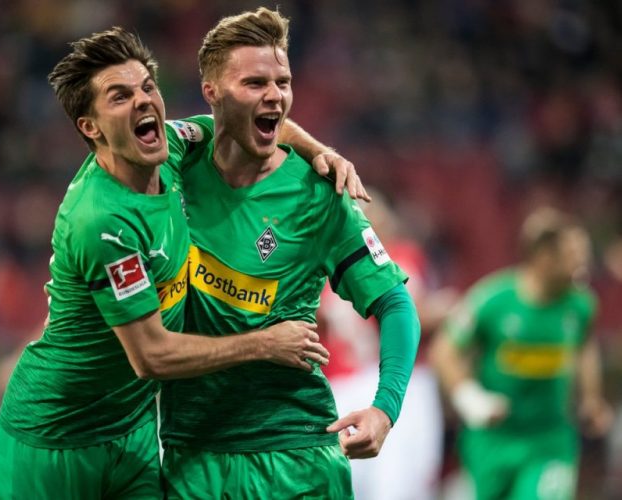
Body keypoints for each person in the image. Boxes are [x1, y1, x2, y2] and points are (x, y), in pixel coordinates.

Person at [0, 26, 348, 499]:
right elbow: (152, 356)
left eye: (147, 88)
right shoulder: (103, 221)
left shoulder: (170, 148)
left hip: (132, 436)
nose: (143, 101)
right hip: (53, 444)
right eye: (120, 96)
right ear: (90, 127)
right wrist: (264, 343)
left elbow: (238, 119)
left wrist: (320, 152)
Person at [159, 8, 420, 499]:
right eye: (255, 82)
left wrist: (385, 410)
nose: (275, 95)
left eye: (283, 82)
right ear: (211, 91)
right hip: (192, 456)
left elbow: (395, 304)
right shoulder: (176, 166)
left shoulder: (319, 194)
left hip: (295, 456)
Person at [429, 206, 614, 500]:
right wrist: (470, 398)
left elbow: (584, 345)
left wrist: (591, 397)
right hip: (493, 440)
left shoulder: (581, 305)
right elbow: (444, 350)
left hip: (549, 440)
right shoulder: (492, 299)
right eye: (573, 254)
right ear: (543, 256)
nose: (583, 264)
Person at [321, 189, 458, 499]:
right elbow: (408, 312)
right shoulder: (397, 254)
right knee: (398, 487)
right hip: (389, 386)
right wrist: (447, 308)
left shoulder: (322, 266)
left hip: (340, 387)